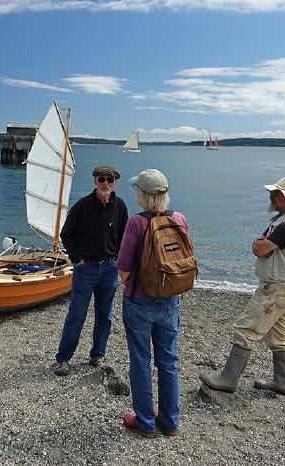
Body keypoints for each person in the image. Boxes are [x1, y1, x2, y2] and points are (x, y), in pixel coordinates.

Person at [200, 177, 285, 397]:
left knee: (246, 329)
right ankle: (282, 382)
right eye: (274, 193)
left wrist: (261, 243)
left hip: (277, 287)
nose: (272, 196)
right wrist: (263, 244)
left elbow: (259, 249)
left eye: (277, 194)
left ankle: (227, 379)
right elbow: (262, 247)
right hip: (282, 286)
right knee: (279, 334)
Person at [116, 169, 188, 439]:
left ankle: (145, 423)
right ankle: (170, 423)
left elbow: (122, 268)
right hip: (170, 301)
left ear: (142, 195)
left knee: (140, 361)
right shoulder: (178, 218)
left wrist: (137, 284)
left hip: (139, 302)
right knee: (168, 363)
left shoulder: (136, 223)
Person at [54, 164, 129, 376]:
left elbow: (125, 237)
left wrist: (120, 260)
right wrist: (77, 259)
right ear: (95, 180)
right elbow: (66, 234)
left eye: (110, 180)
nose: (105, 183)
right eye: (101, 179)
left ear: (115, 183)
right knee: (77, 314)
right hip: (85, 269)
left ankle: (97, 355)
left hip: (109, 269)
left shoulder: (120, 206)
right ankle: (63, 359)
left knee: (104, 315)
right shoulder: (82, 206)